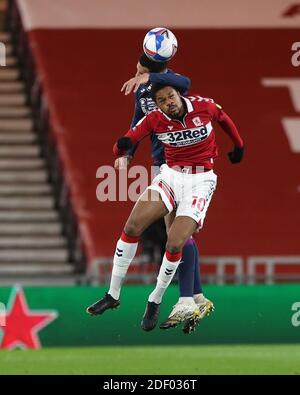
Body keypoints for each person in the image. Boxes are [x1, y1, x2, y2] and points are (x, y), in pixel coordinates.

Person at [87, 83, 244, 332]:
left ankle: (155, 300)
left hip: (200, 180)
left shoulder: (204, 106)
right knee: (132, 226)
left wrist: (239, 145)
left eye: (170, 96)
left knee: (174, 242)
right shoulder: (155, 119)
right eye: (161, 100)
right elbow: (129, 138)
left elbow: (224, 118)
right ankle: (113, 294)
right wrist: (121, 148)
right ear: (157, 104)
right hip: (171, 176)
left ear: (179, 95)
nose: (168, 102)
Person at [119, 53, 213, 334]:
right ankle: (196, 296)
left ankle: (192, 297)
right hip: (161, 164)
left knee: (177, 232)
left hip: (178, 164)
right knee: (177, 233)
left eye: (140, 70)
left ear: (152, 71)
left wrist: (151, 77)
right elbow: (137, 122)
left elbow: (185, 81)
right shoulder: (143, 95)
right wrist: (127, 152)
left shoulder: (170, 86)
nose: (136, 74)